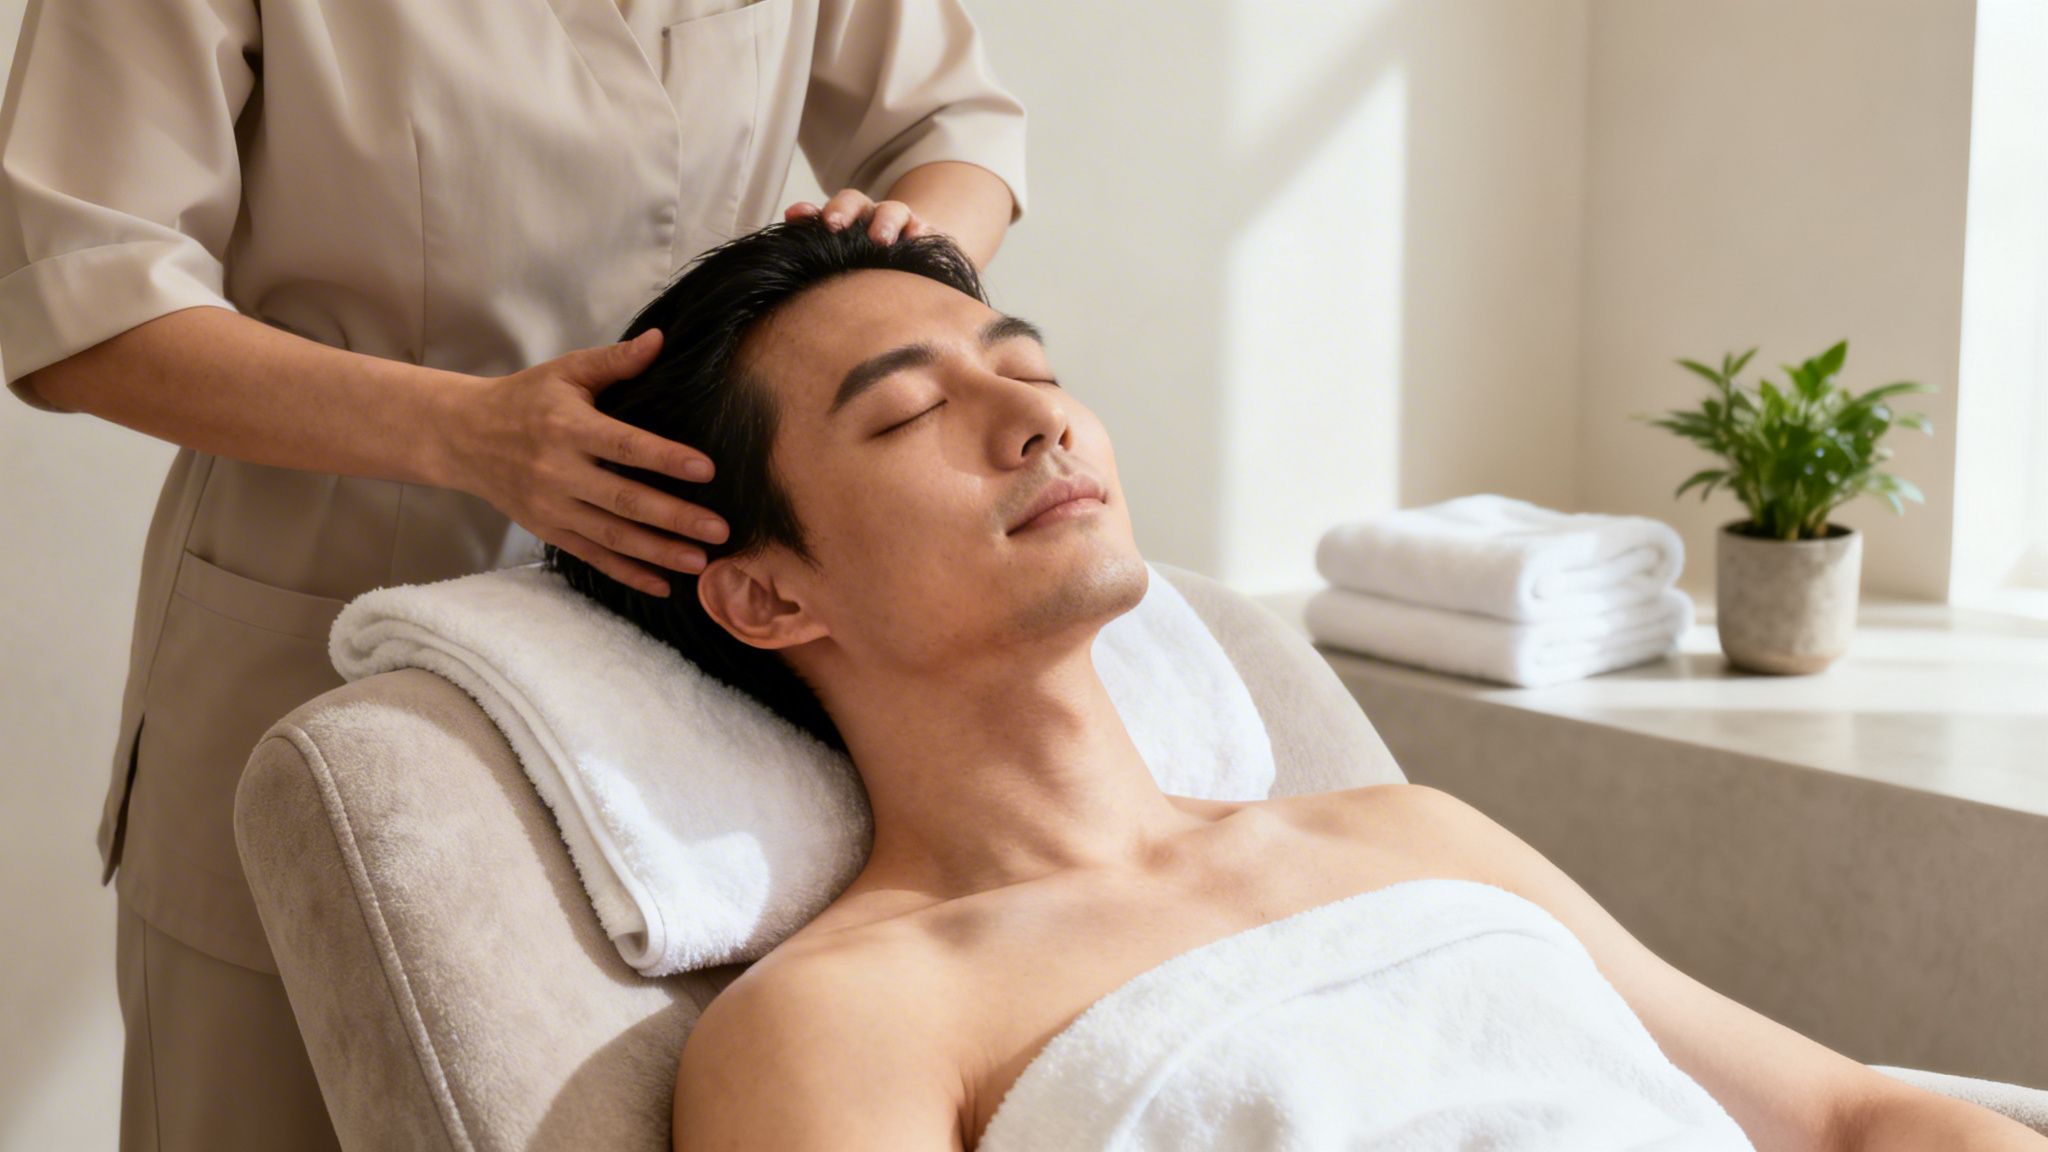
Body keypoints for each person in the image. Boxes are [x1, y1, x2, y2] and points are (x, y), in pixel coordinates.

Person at [548, 215, 2048, 1151]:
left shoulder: (1407, 837)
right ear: (764, 591)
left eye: (1029, 365)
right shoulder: (850, 1023)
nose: (1038, 421)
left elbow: (1853, 1115)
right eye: (913, 414)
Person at [0, 1, 1024, 1147]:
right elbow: (82, 297)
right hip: (316, 629)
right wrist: (462, 432)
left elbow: (949, 122)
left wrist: (883, 274)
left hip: (694, 679)